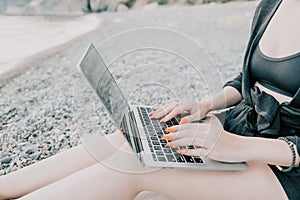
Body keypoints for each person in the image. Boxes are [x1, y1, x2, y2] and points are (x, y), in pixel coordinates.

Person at [0, 0, 299, 199]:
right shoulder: (273, 3)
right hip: (240, 129)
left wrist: (232, 146)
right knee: (135, 137)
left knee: (133, 165)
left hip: (284, 168)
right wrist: (205, 105)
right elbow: (249, 79)